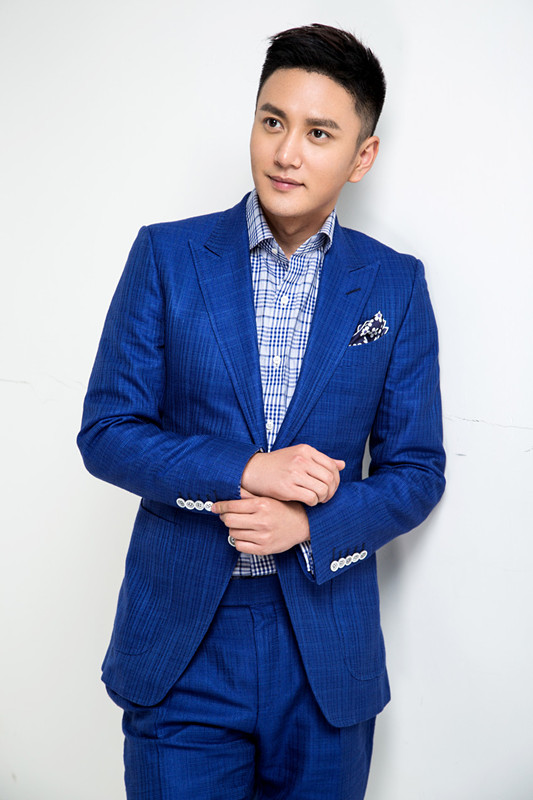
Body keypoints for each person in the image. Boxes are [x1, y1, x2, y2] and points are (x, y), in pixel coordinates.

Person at [78, 23, 445, 800]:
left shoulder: (394, 285)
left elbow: (416, 471)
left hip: (324, 649)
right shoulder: (167, 257)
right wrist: (246, 469)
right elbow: (107, 433)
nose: (286, 153)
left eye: (318, 133)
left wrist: (310, 525)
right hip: (184, 643)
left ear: (361, 157)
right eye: (272, 121)